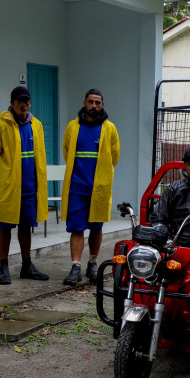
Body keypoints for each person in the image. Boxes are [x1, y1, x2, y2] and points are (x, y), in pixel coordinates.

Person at [0, 86, 50, 284]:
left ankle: (26, 265)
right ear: (12, 103)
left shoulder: (36, 125)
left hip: (30, 187)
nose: (23, 104)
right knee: (5, 227)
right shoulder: (0, 126)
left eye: (27, 101)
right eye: (19, 101)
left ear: (30, 103)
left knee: (26, 227)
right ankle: (3, 267)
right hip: (9, 187)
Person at [60, 89, 120, 285]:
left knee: (96, 227)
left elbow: (115, 156)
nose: (94, 106)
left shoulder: (110, 128)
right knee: (77, 228)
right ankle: (75, 266)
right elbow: (67, 151)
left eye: (98, 102)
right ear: (84, 103)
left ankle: (93, 263)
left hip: (99, 187)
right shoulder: (73, 127)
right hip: (77, 187)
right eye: (91, 102)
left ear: (102, 105)